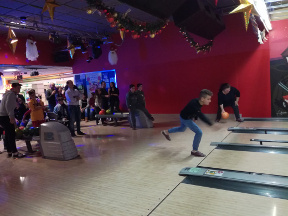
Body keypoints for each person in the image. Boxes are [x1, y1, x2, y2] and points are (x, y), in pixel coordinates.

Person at [161, 89, 214, 157]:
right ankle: (194, 151)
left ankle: (166, 132)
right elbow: (201, 114)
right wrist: (211, 124)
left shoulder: (198, 102)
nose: (210, 101)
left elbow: (197, 111)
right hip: (186, 119)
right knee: (199, 132)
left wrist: (195, 118)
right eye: (208, 99)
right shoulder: (194, 103)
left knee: (182, 129)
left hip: (183, 116)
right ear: (203, 98)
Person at [0, 83, 25, 158]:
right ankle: (15, 152)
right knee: (11, 134)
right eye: (18, 88)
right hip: (5, 116)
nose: (19, 89)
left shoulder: (8, 94)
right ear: (13, 88)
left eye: (19, 88)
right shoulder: (11, 94)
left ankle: (9, 151)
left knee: (8, 134)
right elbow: (9, 106)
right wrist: (11, 117)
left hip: (2, 116)